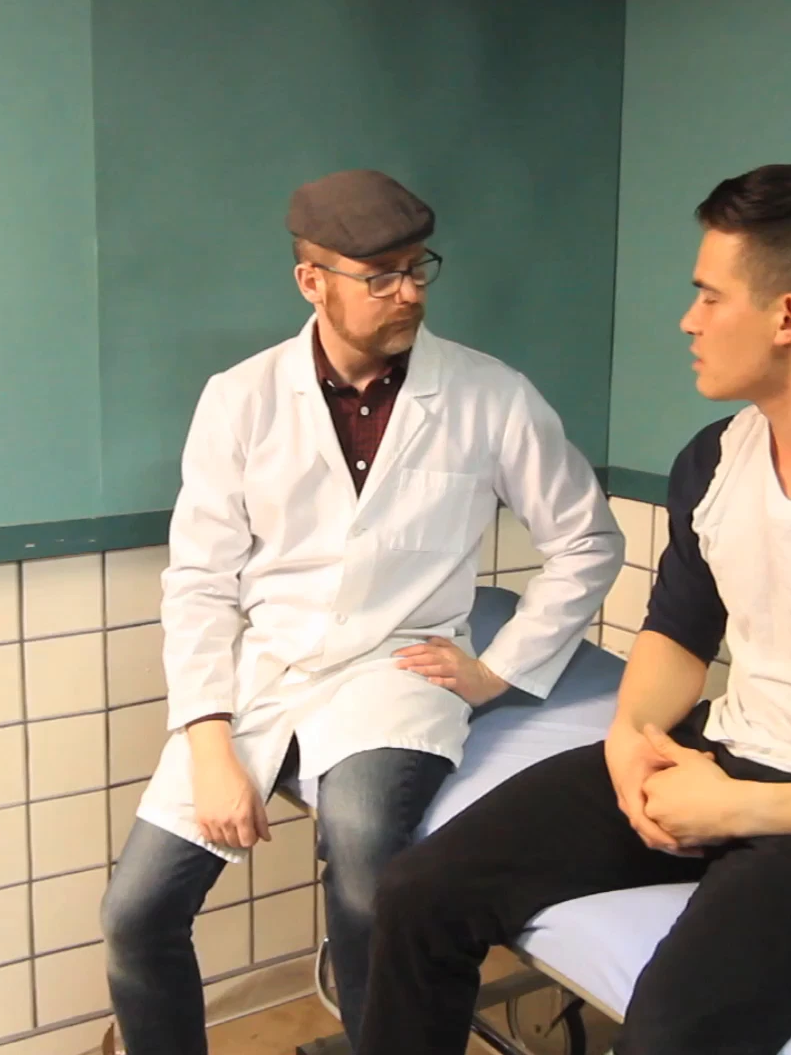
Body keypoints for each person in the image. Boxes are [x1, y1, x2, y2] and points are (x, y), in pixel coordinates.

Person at [355, 156, 791, 1054]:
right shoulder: (719, 459)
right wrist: (631, 741)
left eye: (709, 296)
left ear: (787, 316)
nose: (688, 321)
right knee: (418, 895)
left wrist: (740, 811)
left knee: (671, 1032)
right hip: (730, 756)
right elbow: (676, 634)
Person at [99, 169, 623, 1054]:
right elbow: (198, 581)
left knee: (363, 851)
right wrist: (209, 742)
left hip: (398, 668)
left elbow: (589, 541)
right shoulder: (241, 398)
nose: (409, 292)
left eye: (418, 269)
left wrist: (499, 671)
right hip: (268, 673)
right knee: (135, 915)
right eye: (381, 277)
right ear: (313, 281)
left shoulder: (490, 394)